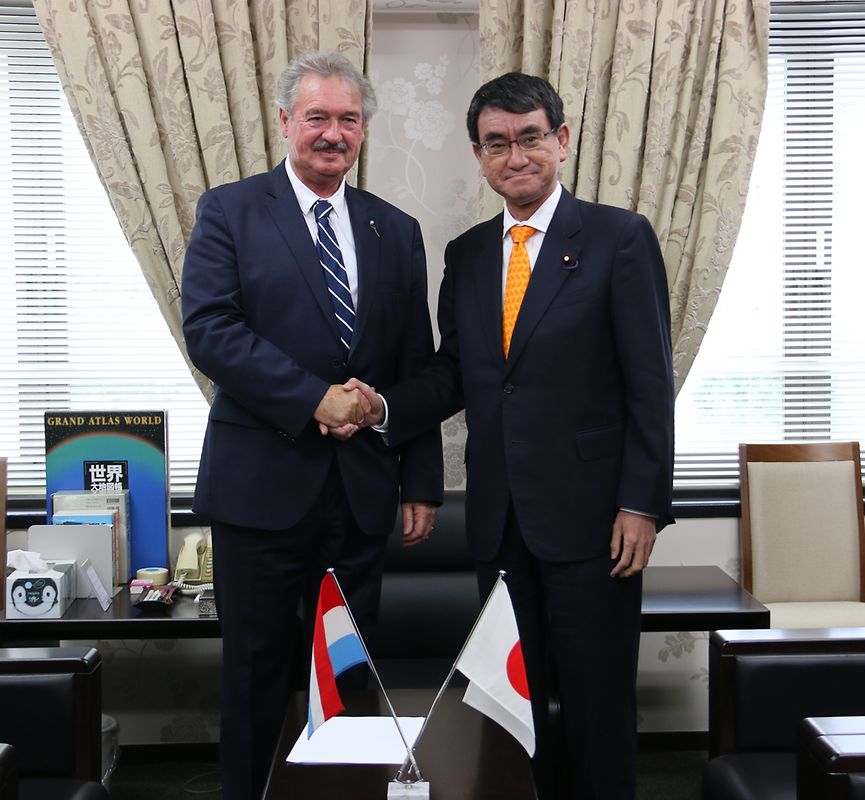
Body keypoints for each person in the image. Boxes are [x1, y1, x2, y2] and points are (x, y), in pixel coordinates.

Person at [350, 72, 674, 799]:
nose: (514, 155)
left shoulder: (618, 238)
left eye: (529, 137)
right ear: (478, 154)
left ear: (560, 140)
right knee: (511, 708)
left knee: (595, 704)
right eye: (496, 143)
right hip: (499, 525)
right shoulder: (465, 254)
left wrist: (642, 504)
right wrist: (382, 409)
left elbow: (649, 385)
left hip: (597, 522)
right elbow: (452, 375)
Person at [181, 51, 443, 800]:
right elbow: (211, 331)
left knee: (348, 675)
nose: (333, 134)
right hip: (259, 493)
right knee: (257, 676)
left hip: (360, 493)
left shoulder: (395, 229)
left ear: (364, 130)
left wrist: (420, 479)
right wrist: (313, 398)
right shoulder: (229, 210)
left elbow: (413, 366)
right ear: (286, 122)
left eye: (348, 120)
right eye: (318, 117)